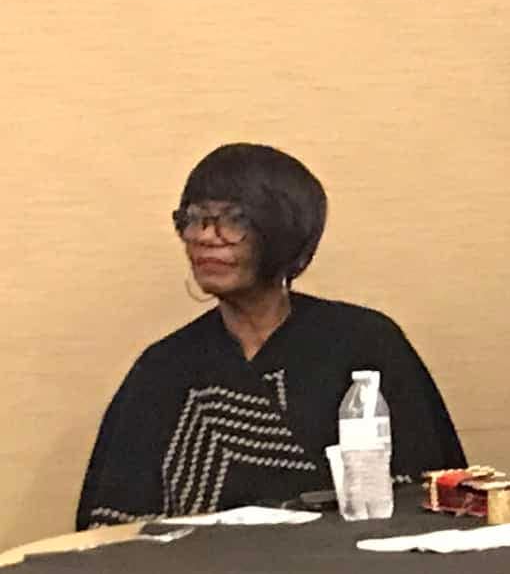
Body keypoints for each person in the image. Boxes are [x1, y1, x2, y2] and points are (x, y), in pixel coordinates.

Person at [77, 144, 465, 528]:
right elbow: (113, 530)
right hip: (198, 568)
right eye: (194, 219)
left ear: (283, 231)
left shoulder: (365, 343)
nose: (206, 236)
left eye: (234, 220)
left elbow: (434, 500)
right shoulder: (163, 367)